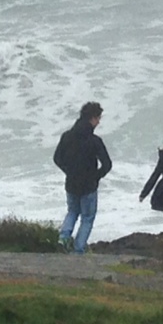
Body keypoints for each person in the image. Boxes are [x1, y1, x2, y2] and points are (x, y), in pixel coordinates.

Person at [51, 101, 112, 254]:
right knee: (87, 217)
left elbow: (57, 158)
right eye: (98, 118)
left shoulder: (67, 136)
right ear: (92, 118)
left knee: (72, 211)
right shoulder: (94, 141)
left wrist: (69, 171)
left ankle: (63, 237)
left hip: (71, 182)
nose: (98, 122)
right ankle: (78, 249)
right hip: (89, 186)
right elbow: (107, 164)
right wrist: (96, 176)